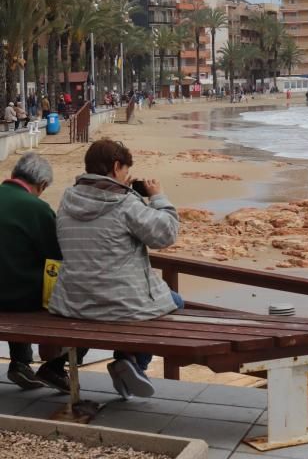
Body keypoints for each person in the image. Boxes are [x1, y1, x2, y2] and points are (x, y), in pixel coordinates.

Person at [49, 138, 181, 399]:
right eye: (124, 171)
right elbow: (166, 235)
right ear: (116, 166)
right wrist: (157, 197)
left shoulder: (67, 200)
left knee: (118, 304)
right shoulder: (124, 203)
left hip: (73, 302)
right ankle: (132, 363)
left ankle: (127, 361)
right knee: (174, 300)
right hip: (120, 305)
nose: (126, 176)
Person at [0, 153, 79, 392]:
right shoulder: (36, 208)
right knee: (45, 289)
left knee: (11, 274)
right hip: (19, 298)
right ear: (42, 185)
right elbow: (55, 256)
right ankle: (53, 367)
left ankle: (22, 362)